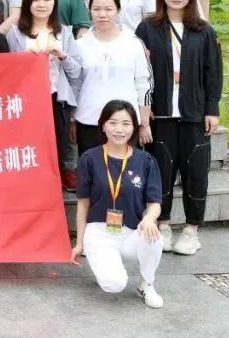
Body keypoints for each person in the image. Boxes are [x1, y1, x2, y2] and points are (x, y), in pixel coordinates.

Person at [135, 0, 223, 257]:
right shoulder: (148, 28)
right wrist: (143, 111)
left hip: (194, 113)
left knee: (195, 171)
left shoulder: (203, 30)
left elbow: (213, 72)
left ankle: (191, 229)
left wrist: (212, 108)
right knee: (161, 171)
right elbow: (139, 71)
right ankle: (162, 225)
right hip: (160, 114)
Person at [71, 100, 165, 309]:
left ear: (134, 127)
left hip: (129, 232)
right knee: (114, 284)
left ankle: (146, 284)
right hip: (99, 233)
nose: (119, 129)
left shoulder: (146, 161)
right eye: (113, 123)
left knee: (154, 237)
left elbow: (155, 203)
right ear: (103, 125)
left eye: (125, 124)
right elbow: (83, 206)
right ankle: (105, 261)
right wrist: (79, 244)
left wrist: (149, 219)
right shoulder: (89, 159)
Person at [6, 0, 82, 190]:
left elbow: (76, 73)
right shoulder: (15, 33)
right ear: (27, 3)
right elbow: (8, 73)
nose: (41, 4)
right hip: (27, 102)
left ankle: (54, 188)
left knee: (57, 147)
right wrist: (23, 61)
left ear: (54, 2)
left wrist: (62, 55)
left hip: (57, 99)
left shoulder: (64, 33)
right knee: (30, 147)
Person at [72, 0, 153, 159]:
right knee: (92, 169)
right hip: (89, 121)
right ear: (89, 10)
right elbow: (75, 85)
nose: (102, 14)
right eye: (96, 9)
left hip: (125, 123)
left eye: (108, 9)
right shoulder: (80, 45)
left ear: (118, 11)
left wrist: (144, 123)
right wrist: (72, 120)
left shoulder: (133, 43)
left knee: (126, 170)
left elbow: (144, 82)